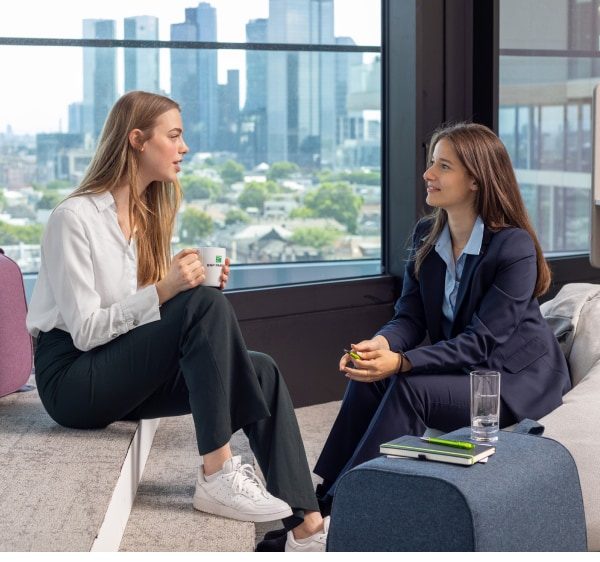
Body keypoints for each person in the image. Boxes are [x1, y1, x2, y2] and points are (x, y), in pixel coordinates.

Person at [26, 91, 328, 552]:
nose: (184, 147)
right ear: (137, 141)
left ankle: (306, 528)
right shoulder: (75, 218)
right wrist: (170, 290)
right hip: (71, 380)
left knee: (259, 367)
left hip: (115, 367)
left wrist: (188, 288)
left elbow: (147, 317)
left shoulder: (146, 217)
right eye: (174, 135)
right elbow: (86, 332)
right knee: (201, 305)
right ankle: (217, 472)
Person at [313, 122, 572, 512]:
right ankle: (326, 493)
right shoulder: (426, 235)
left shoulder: (512, 246)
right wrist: (381, 346)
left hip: (509, 381)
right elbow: (410, 317)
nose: (428, 174)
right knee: (369, 378)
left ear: (476, 180)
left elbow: (481, 342)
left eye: (444, 166)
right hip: (465, 369)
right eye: (432, 163)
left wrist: (401, 363)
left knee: (407, 386)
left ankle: (351, 508)